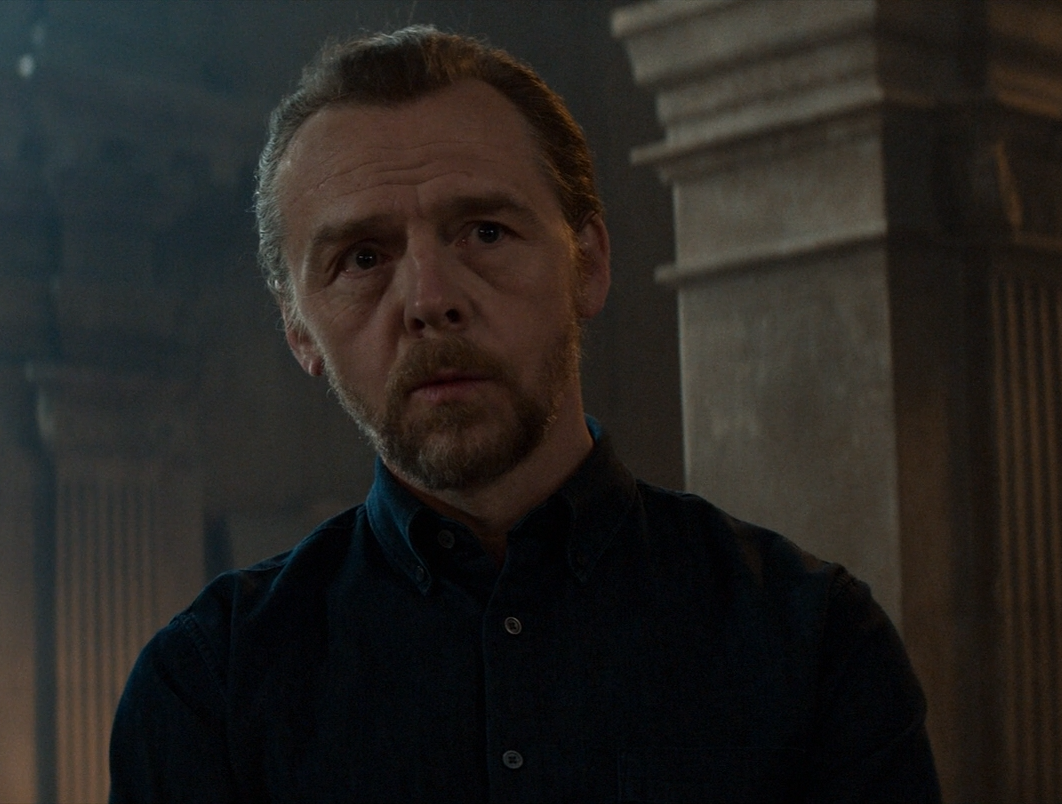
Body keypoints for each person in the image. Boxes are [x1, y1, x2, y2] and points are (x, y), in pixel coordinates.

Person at [109, 26, 940, 803]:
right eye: (362, 258)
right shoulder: (207, 687)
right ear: (299, 329)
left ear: (589, 264)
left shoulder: (814, 640)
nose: (429, 299)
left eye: (484, 232)